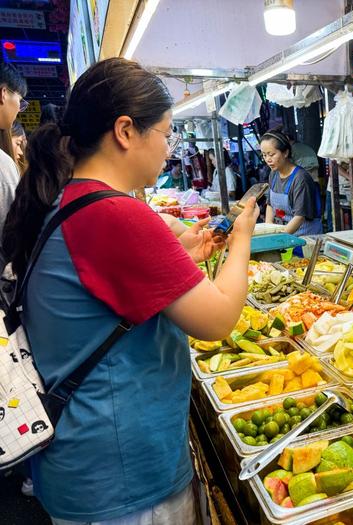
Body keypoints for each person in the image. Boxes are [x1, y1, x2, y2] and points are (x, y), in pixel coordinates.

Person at [2, 58, 259, 524]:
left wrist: (181, 259)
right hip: (122, 478)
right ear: (125, 131)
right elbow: (218, 321)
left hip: (87, 463)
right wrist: (242, 238)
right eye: (166, 133)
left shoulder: (70, 199)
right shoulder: (116, 214)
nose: (168, 149)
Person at [262, 130, 322, 235]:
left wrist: (279, 239)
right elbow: (270, 205)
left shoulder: (300, 178)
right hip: (284, 236)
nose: (268, 159)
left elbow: (299, 217)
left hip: (304, 238)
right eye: (264, 155)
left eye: (271, 154)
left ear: (285, 152)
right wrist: (268, 229)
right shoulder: (273, 174)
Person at [0, 63, 26, 257]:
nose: (19, 109)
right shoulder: (3, 164)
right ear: (3, 94)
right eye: (20, 101)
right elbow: (11, 235)